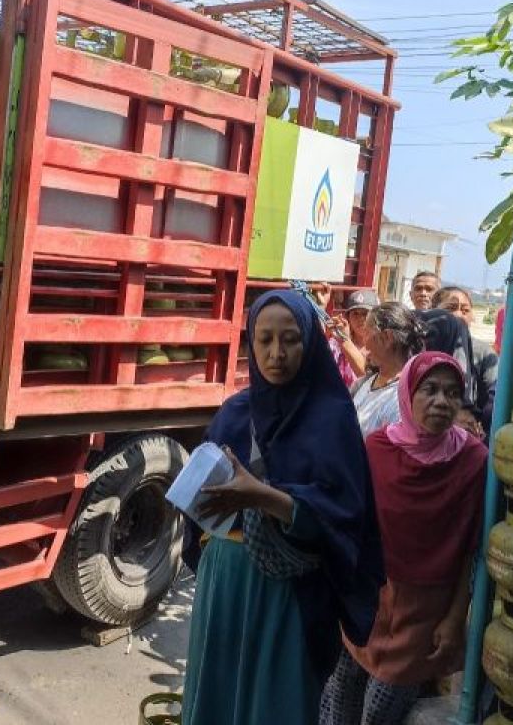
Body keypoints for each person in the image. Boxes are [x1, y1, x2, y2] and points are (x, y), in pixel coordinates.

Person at [182, 290, 384, 725]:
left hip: (289, 595)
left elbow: (345, 518)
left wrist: (263, 497)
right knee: (217, 698)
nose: (277, 353)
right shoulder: (234, 413)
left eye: (290, 339)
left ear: (310, 341)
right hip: (225, 583)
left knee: (275, 705)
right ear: (250, 345)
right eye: (264, 339)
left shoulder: (331, 419)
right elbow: (199, 498)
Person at [321, 352, 488, 725]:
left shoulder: (473, 460)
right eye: (429, 390)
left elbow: (471, 549)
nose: (441, 402)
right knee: (341, 694)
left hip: (426, 610)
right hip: (371, 594)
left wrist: (454, 617)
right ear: (408, 394)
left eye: (452, 393)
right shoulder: (378, 449)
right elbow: (353, 524)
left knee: (381, 711)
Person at [352, 303, 425, 435]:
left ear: (387, 337)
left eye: (367, 332)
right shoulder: (368, 382)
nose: (364, 340)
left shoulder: (403, 398)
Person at [430, 286, 497, 429]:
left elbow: (493, 395)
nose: (459, 315)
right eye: (451, 308)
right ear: (433, 311)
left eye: (465, 310)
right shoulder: (423, 347)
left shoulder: (484, 351)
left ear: (471, 316)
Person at [327, 289, 377, 387]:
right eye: (355, 313)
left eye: (365, 313)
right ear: (348, 317)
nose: (360, 319)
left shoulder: (382, 347)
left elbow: (369, 378)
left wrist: (345, 341)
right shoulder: (336, 345)